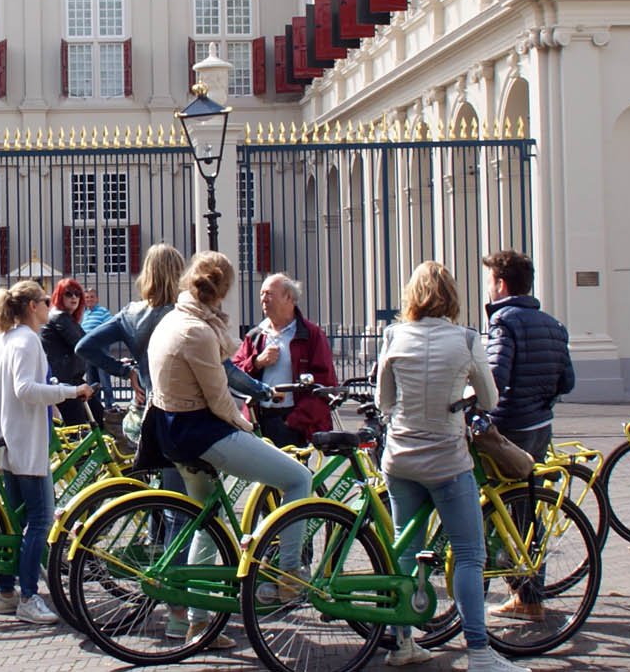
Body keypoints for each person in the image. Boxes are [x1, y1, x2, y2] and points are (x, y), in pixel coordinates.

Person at [142, 251, 312, 646]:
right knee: (298, 478)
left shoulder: (173, 321)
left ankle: (199, 622)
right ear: (222, 292)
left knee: (208, 519)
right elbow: (219, 399)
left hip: (173, 434)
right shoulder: (199, 332)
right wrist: (247, 429)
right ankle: (289, 575)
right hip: (202, 433)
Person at [376, 261, 530, 671]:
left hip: (401, 456)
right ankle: (479, 651)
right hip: (446, 457)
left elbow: (383, 402)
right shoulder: (466, 339)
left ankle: (404, 641)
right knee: (468, 554)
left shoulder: (393, 335)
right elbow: (491, 399)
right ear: (452, 296)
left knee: (405, 549)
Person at [0, 279, 95, 625]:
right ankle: (29, 597)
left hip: (2, 441)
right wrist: (69, 392)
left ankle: (6, 592)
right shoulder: (28, 340)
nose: (49, 305)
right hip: (25, 442)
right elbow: (25, 389)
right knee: (41, 520)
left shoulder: (2, 340)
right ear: (32, 306)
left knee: (15, 523)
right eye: (45, 300)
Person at [77, 244, 272, 451]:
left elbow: (84, 346)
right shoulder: (186, 316)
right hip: (186, 416)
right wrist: (263, 391)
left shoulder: (130, 315)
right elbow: (226, 370)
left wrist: (126, 372)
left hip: (145, 412)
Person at [478, 250, 574, 619]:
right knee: (526, 508)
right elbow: (568, 380)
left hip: (509, 428)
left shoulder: (504, 322)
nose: (489, 290)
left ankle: (503, 576)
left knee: (493, 506)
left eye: (490, 283)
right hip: (540, 427)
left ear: (501, 284)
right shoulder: (552, 324)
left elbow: (495, 378)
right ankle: (530, 596)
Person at [231, 273, 338, 449]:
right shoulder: (256, 335)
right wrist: (257, 362)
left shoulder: (310, 335)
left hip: (291, 422)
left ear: (289, 297)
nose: (264, 299)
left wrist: (293, 422)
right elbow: (234, 373)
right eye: (261, 294)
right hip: (259, 420)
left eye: (269, 294)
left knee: (293, 476)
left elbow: (324, 383)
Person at [42, 278, 100, 429]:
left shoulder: (66, 318)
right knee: (79, 426)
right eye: (68, 294)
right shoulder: (60, 317)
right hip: (64, 381)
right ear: (59, 296)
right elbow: (82, 343)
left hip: (72, 379)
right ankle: (82, 452)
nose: (74, 297)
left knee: (96, 412)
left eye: (77, 294)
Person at [80, 286, 117, 411]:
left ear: (97, 299)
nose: (89, 299)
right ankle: (96, 409)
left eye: (91, 297)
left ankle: (109, 406)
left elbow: (109, 327)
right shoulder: (84, 314)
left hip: (100, 349)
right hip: (88, 351)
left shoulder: (103, 311)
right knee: (92, 382)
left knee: (104, 379)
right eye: (87, 297)